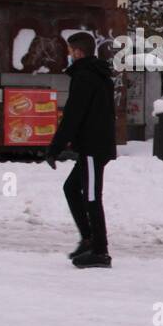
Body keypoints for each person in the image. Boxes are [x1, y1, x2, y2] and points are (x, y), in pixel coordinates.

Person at [44, 32, 116, 269]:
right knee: (71, 188)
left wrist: (55, 147)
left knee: (92, 197)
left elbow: (73, 116)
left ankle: (100, 251)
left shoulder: (85, 76)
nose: (68, 55)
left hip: (94, 148)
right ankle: (88, 239)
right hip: (93, 146)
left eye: (70, 50)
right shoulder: (97, 73)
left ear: (78, 52)